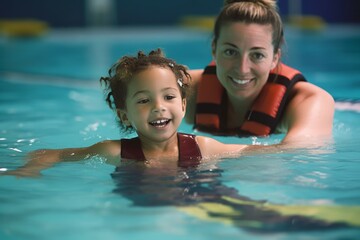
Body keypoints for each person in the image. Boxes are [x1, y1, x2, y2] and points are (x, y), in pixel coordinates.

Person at [3, 49, 284, 178]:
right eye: (143, 100)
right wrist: (28, 169)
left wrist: (286, 150)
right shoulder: (115, 152)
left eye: (169, 97)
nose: (159, 106)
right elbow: (52, 154)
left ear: (183, 105)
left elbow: (249, 151)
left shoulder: (202, 148)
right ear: (124, 115)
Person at [185, 0, 335, 144]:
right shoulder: (185, 90)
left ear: (275, 58)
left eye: (257, 55)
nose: (242, 69)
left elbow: (297, 153)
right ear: (214, 50)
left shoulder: (310, 101)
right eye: (230, 52)